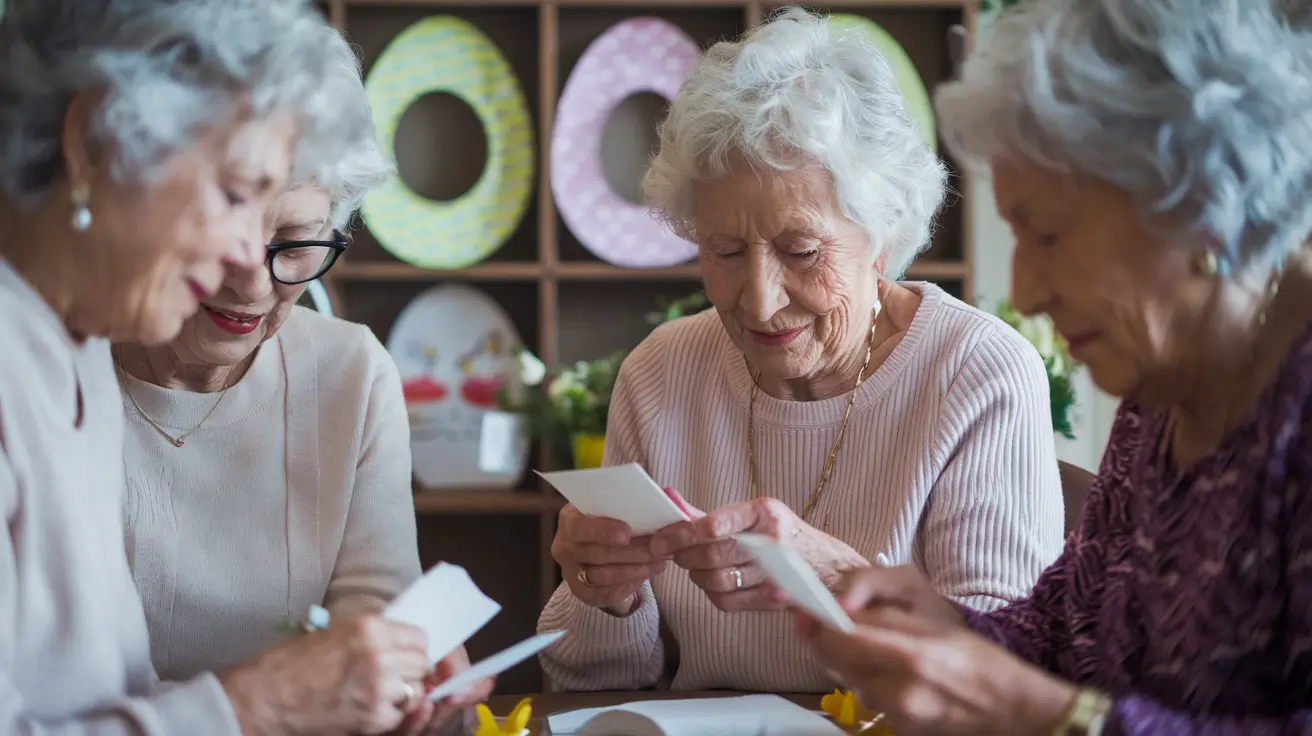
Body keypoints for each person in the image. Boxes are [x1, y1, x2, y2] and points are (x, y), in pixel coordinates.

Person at [796, 0, 1312, 732]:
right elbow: (1067, 634)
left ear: (1193, 199)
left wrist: (1037, 713)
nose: (1029, 291)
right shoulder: (1158, 392)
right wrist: (946, 631)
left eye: (1048, 233)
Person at [537, 6, 1064, 694]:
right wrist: (607, 597)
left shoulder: (977, 373)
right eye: (725, 250)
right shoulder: (661, 375)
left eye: (801, 251)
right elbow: (596, 688)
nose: (758, 301)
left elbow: (1001, 685)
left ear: (882, 233)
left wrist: (839, 580)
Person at [0, 0, 432, 733]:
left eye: (283, 226)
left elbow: (102, 700)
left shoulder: (72, 346)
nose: (246, 262)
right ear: (90, 138)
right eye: (234, 193)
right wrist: (260, 705)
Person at [112, 29, 492, 735]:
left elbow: (376, 626)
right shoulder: (46, 370)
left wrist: (405, 691)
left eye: (296, 242)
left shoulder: (352, 374)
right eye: (228, 232)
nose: (254, 283)